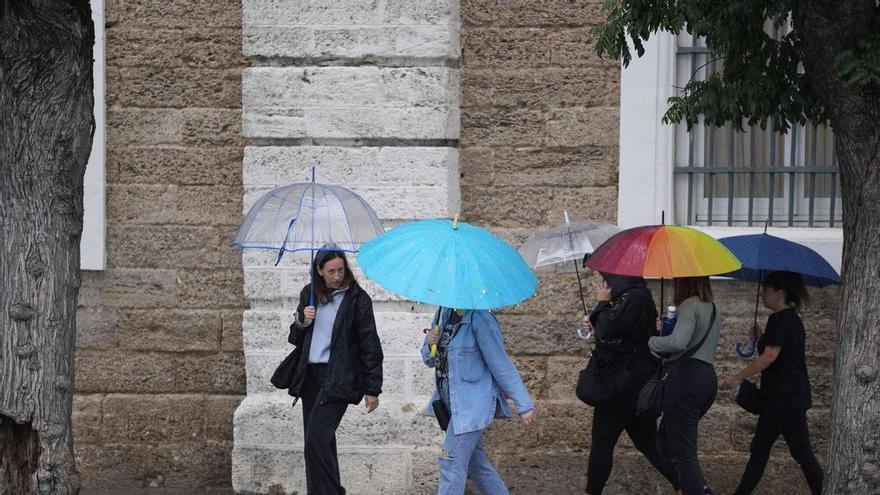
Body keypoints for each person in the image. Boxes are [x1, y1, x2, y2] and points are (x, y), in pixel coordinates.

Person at [287, 249, 384, 494]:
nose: (337, 276)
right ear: (320, 271)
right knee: (321, 442)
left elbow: (370, 344)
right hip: (310, 376)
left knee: (315, 438)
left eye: (341, 270)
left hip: (339, 377)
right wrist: (303, 320)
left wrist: (372, 388)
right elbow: (295, 338)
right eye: (331, 271)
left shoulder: (357, 299)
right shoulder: (309, 294)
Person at [722, 271, 824, 495]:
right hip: (782, 398)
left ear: (779, 293)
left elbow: (770, 356)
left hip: (784, 400)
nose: (762, 294)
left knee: (790, 452)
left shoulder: (783, 319)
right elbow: (777, 352)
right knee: (773, 451)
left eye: (766, 290)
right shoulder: (783, 319)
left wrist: (738, 377)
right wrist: (760, 337)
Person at [581, 274, 680, 494]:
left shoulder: (635, 298)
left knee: (602, 443)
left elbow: (608, 328)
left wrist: (601, 303)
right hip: (631, 385)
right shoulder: (632, 298)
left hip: (621, 387)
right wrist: (594, 322)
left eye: (607, 277)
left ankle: (591, 492)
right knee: (648, 444)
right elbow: (614, 333)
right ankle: (688, 485)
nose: (605, 282)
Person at [423, 307, 535, 495]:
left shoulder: (481, 319)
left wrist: (523, 403)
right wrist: (429, 344)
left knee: (450, 462)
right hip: (450, 404)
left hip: (471, 406)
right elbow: (429, 360)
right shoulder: (443, 314)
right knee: (477, 466)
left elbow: (500, 363)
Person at [648, 277, 720, 495]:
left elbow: (677, 343)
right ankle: (700, 488)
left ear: (684, 281)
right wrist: (668, 328)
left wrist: (651, 340)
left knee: (683, 452)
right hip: (707, 378)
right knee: (666, 441)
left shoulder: (689, 305)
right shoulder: (712, 307)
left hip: (686, 380)